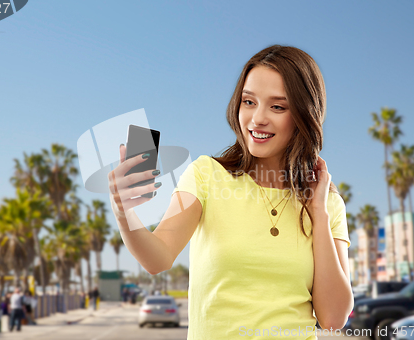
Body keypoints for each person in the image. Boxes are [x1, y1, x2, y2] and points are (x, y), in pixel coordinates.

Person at [108, 45, 353, 339]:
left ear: (304, 114)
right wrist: (125, 212)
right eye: (249, 102)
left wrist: (318, 213)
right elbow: (157, 258)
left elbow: (333, 318)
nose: (257, 118)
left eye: (277, 106)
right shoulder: (206, 175)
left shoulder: (326, 202)